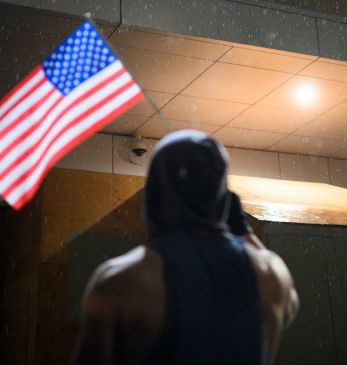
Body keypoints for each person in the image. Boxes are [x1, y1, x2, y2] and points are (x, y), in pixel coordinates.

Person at [72, 130, 298, 365]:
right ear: (223, 198)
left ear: (153, 195)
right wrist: (242, 228)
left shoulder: (121, 280)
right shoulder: (270, 273)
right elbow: (289, 308)